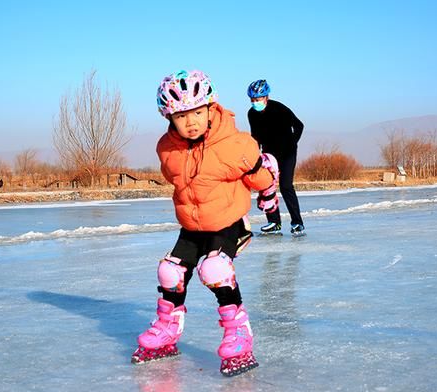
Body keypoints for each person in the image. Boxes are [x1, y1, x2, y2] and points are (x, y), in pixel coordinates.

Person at [131, 70, 278, 376]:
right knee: (169, 271)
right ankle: (168, 328)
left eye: (198, 112)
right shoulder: (167, 149)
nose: (192, 121)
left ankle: (239, 332)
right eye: (182, 116)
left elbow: (257, 175)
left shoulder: (235, 144)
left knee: (214, 269)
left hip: (229, 222)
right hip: (192, 225)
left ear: (211, 108)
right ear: (169, 118)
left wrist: (268, 193)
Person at [247, 79, 306, 236]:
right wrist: (255, 154)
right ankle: (274, 222)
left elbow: (299, 125)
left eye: (257, 99)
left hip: (287, 153)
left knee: (286, 186)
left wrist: (292, 143)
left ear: (266, 97)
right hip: (269, 155)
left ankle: (297, 223)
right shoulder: (252, 113)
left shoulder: (279, 109)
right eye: (252, 99)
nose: (255, 102)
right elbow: (255, 136)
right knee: (266, 186)